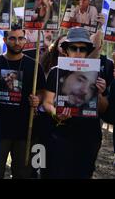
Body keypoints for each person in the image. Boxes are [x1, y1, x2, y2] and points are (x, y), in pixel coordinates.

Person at [43, 27, 109, 178]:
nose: (78, 52)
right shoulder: (55, 71)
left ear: (88, 51)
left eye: (83, 48)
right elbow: (47, 102)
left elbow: (104, 108)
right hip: (62, 135)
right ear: (66, 50)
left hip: (89, 137)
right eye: (74, 48)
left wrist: (99, 93)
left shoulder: (97, 72)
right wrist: (56, 114)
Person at [0, 24, 45, 179]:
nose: (17, 42)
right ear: (5, 39)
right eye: (13, 38)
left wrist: (38, 99)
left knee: (24, 173)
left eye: (21, 38)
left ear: (25, 39)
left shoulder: (34, 66)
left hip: (26, 129)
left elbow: (42, 92)